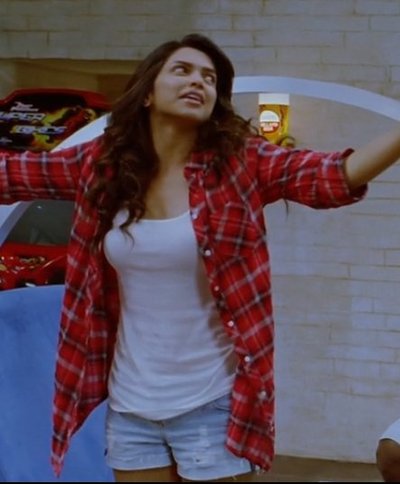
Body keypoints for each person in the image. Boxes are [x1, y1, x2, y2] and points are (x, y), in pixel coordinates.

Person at [1, 32, 400, 483]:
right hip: (131, 407)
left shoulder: (241, 163)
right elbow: (12, 175)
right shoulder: (102, 165)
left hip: (213, 405)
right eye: (183, 70)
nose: (198, 82)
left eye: (209, 78)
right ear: (148, 92)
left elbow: (335, 176)